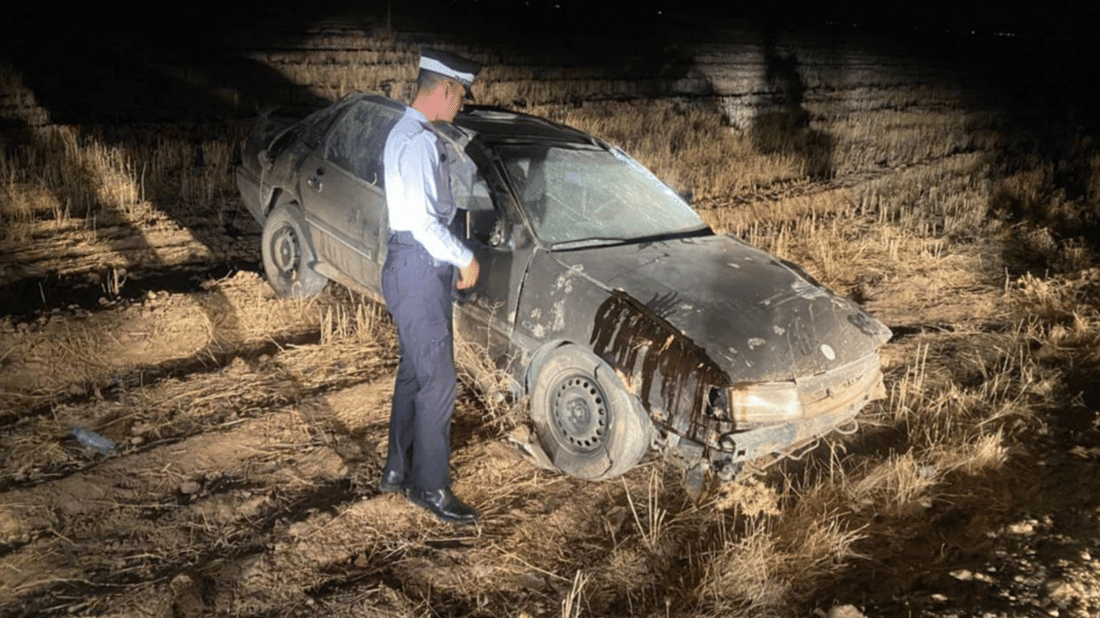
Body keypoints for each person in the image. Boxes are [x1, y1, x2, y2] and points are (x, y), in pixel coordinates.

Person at [378, 48, 482, 525]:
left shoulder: (405, 132)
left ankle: (398, 470)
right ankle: (431, 487)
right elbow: (423, 222)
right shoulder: (418, 141)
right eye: (459, 95)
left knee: (415, 374)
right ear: (443, 90)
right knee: (439, 379)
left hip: (407, 264)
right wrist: (464, 256)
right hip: (420, 266)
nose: (459, 104)